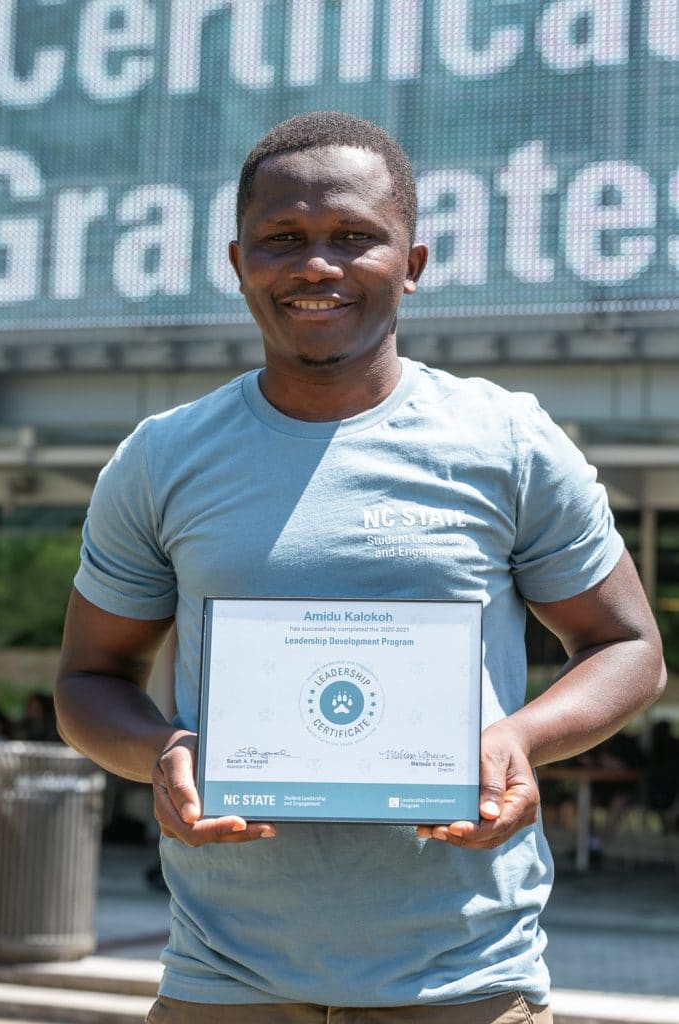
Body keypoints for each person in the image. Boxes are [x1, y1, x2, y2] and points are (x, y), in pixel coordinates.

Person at [54, 111, 666, 1024]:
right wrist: (160, 753)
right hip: (224, 979)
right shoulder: (161, 458)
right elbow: (88, 679)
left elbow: (627, 649)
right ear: (237, 263)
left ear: (411, 264)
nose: (316, 265)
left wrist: (518, 741)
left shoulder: (504, 440)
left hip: (463, 980)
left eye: (353, 238)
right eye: (283, 240)